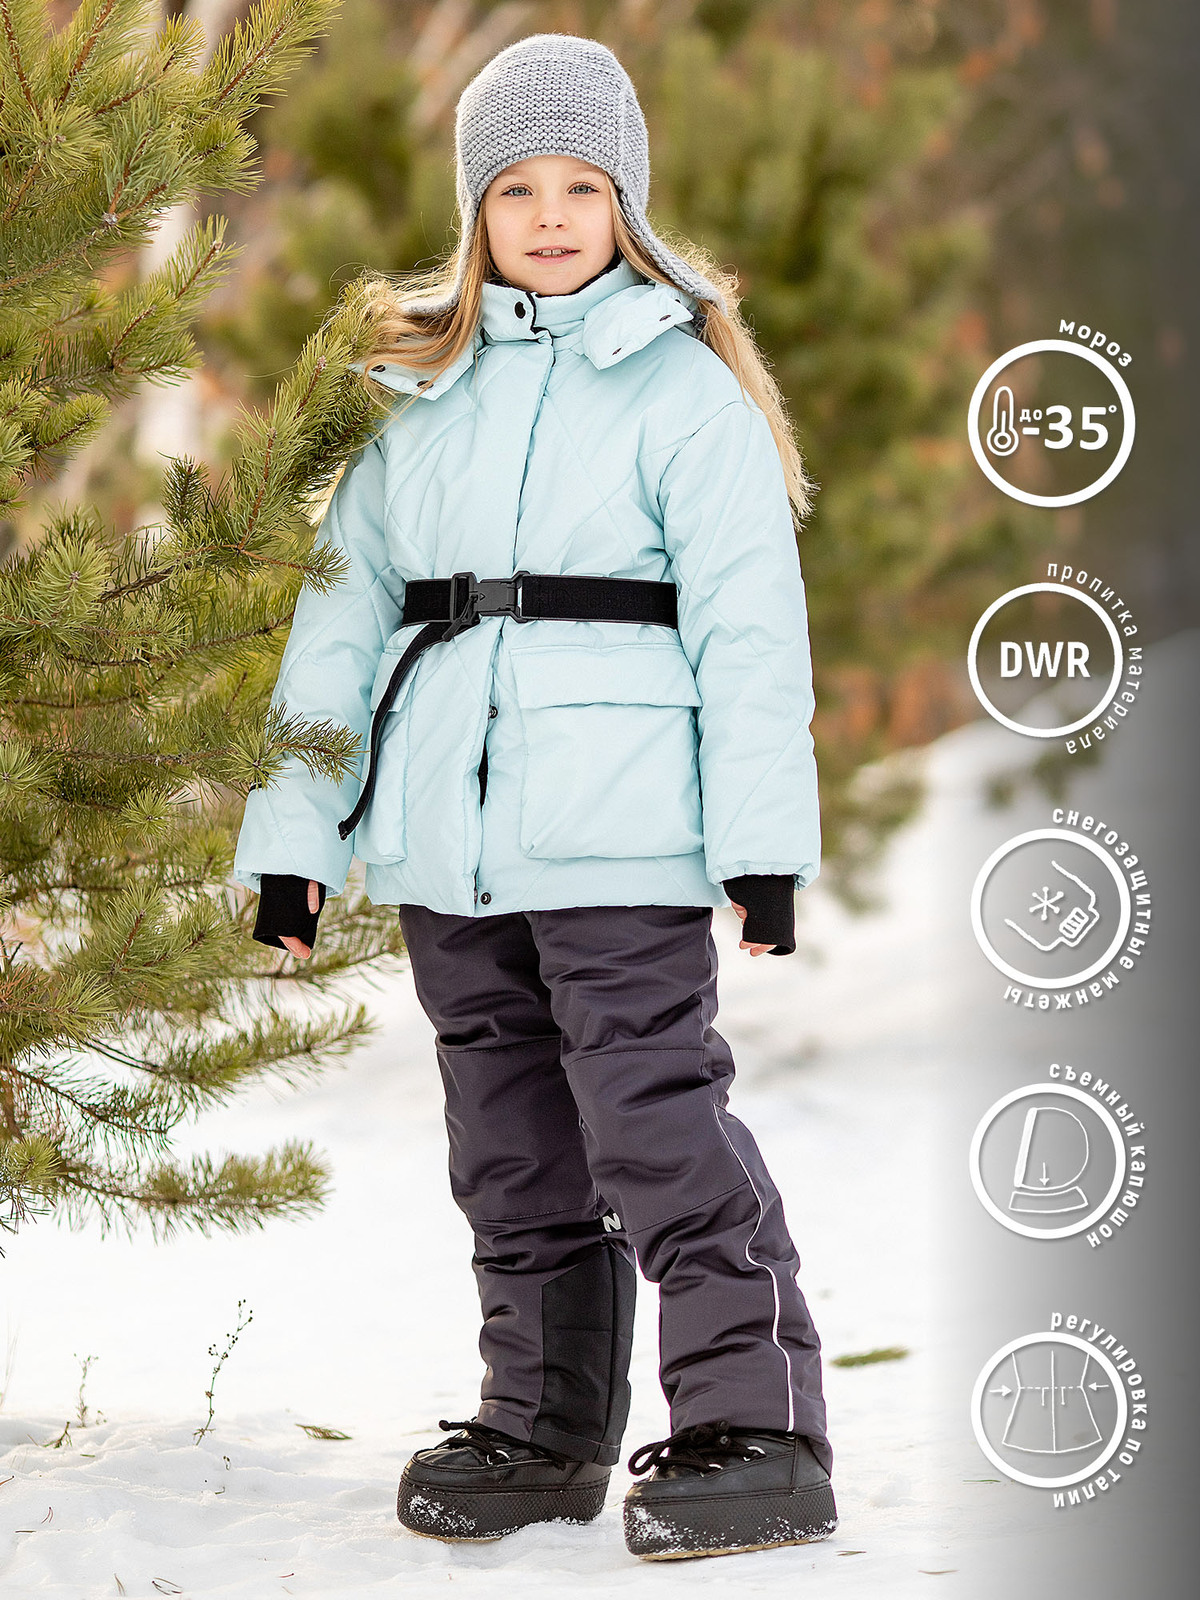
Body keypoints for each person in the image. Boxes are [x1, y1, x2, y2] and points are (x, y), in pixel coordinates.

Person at [234, 31, 836, 1563]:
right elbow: (337, 634)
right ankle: (545, 1425)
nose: (552, 215)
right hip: (451, 845)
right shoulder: (417, 400)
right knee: (509, 1147)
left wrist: (763, 850)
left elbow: (750, 640)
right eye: (518, 188)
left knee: (653, 1122)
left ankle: (756, 1425)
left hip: (624, 835)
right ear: (475, 210)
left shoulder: (684, 396)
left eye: (582, 186)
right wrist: (295, 845)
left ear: (626, 201)